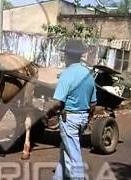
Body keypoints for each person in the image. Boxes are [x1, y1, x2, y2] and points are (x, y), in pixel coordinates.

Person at [46, 39, 97, 179]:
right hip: (83, 118)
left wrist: (48, 114)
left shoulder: (67, 74)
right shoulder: (89, 74)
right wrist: (88, 119)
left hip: (70, 120)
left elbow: (57, 103)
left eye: (64, 55)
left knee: (73, 158)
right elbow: (93, 104)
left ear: (67, 56)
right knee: (66, 151)